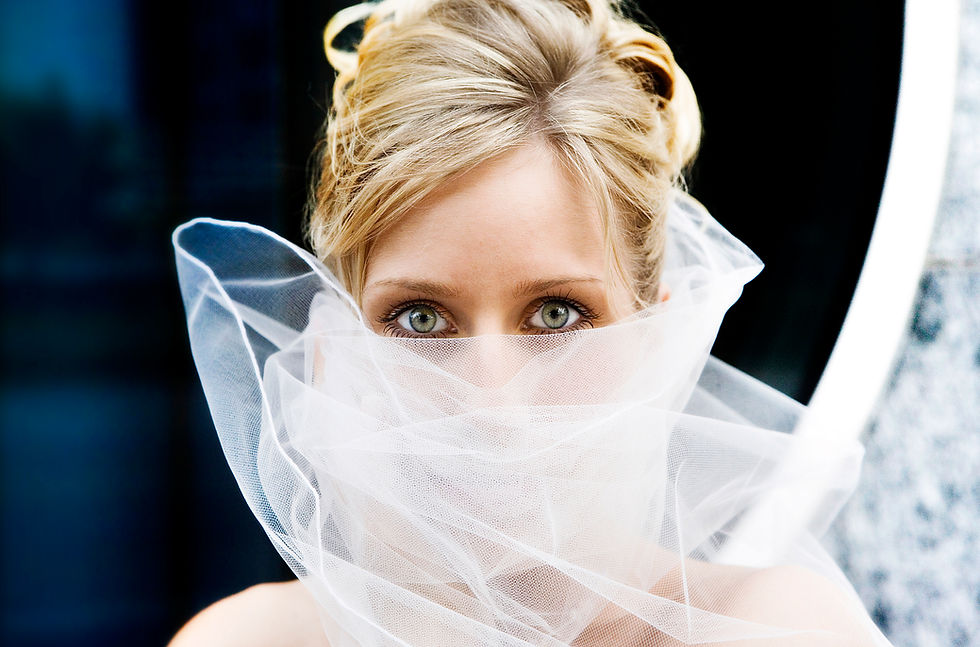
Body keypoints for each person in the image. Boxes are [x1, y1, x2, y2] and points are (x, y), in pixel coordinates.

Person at [169, 0, 893, 645]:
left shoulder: (773, 632)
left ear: (658, 345)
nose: (492, 403)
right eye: (420, 320)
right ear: (334, 350)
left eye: (555, 315)